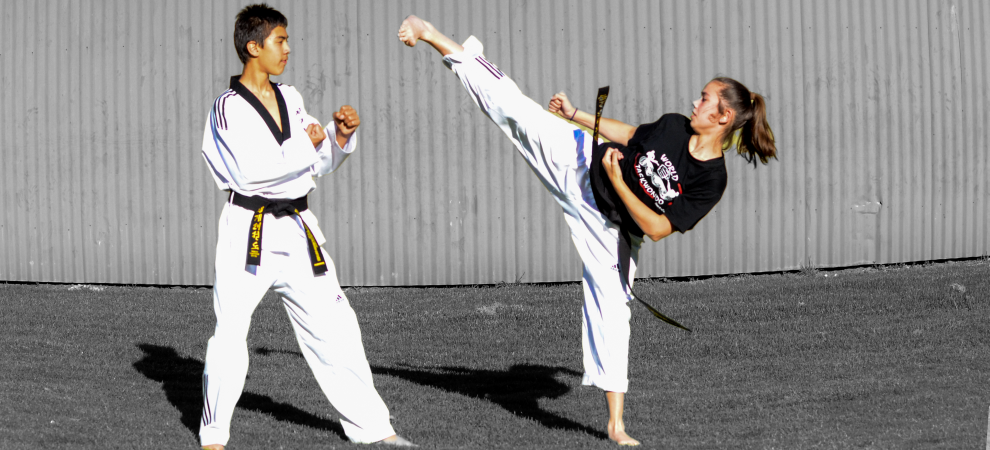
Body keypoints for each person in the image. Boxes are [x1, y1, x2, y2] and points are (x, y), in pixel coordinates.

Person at [397, 15, 776, 446]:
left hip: (612, 230)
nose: (695, 101)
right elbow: (633, 135)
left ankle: (615, 425)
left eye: (705, 98)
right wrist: (577, 115)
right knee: (518, 110)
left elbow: (656, 228)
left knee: (613, 311)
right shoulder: (674, 125)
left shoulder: (712, 179)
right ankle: (431, 34)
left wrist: (618, 183)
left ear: (723, 116)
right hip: (579, 164)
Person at [198, 5, 414, 449]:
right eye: (280, 41)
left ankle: (374, 431)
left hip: (297, 227)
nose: (288, 49)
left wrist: (338, 137)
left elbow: (314, 164)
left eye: (288, 40)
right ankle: (214, 436)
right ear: (253, 47)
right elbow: (249, 173)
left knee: (338, 326)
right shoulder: (227, 107)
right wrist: (306, 144)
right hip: (250, 228)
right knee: (230, 334)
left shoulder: (291, 97)